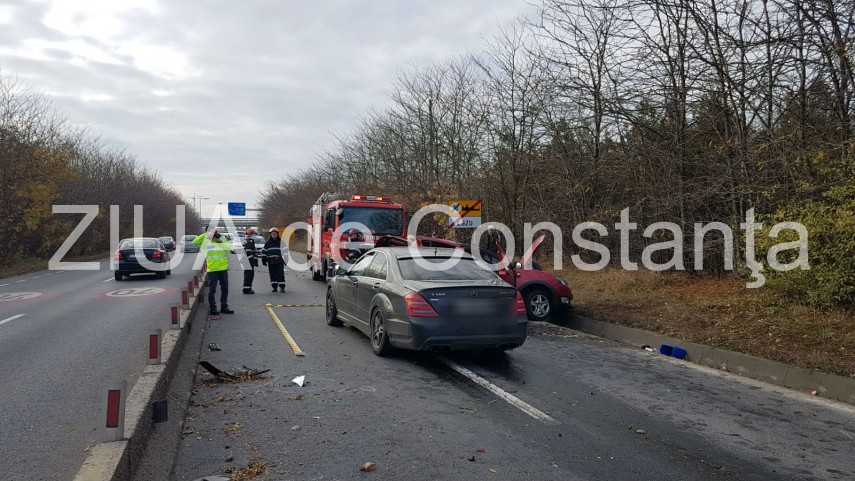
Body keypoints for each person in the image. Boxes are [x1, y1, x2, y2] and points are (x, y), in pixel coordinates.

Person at [193, 230, 234, 315]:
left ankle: (224, 306)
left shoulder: (221, 237)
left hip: (223, 268)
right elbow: (195, 241)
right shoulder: (206, 241)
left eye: (215, 231)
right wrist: (206, 235)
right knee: (212, 289)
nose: (214, 232)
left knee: (225, 288)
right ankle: (213, 307)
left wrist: (220, 241)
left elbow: (229, 248)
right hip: (213, 269)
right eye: (211, 231)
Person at [262, 227, 286, 292]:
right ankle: (274, 287)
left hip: (279, 261)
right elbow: (264, 251)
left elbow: (285, 252)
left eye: (275, 234)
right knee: (272, 275)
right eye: (272, 234)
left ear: (277, 234)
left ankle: (282, 287)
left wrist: (286, 260)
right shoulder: (268, 243)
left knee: (280, 274)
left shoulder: (282, 242)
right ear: (270, 235)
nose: (274, 235)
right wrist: (263, 260)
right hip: (271, 262)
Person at [241, 227, 258, 294]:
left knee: (248, 275)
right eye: (254, 234)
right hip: (248, 261)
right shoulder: (250, 241)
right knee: (249, 275)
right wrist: (252, 261)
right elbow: (248, 252)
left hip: (246, 261)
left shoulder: (246, 240)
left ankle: (247, 288)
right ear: (251, 234)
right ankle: (247, 289)